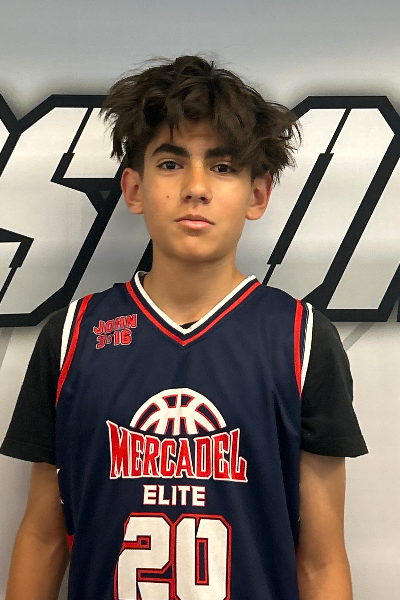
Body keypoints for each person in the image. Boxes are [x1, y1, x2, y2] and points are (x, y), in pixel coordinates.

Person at [1, 55, 367, 600]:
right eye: (171, 163)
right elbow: (43, 536)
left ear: (258, 194)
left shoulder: (303, 339)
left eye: (222, 167)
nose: (196, 187)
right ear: (134, 188)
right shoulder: (71, 336)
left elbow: (320, 561)